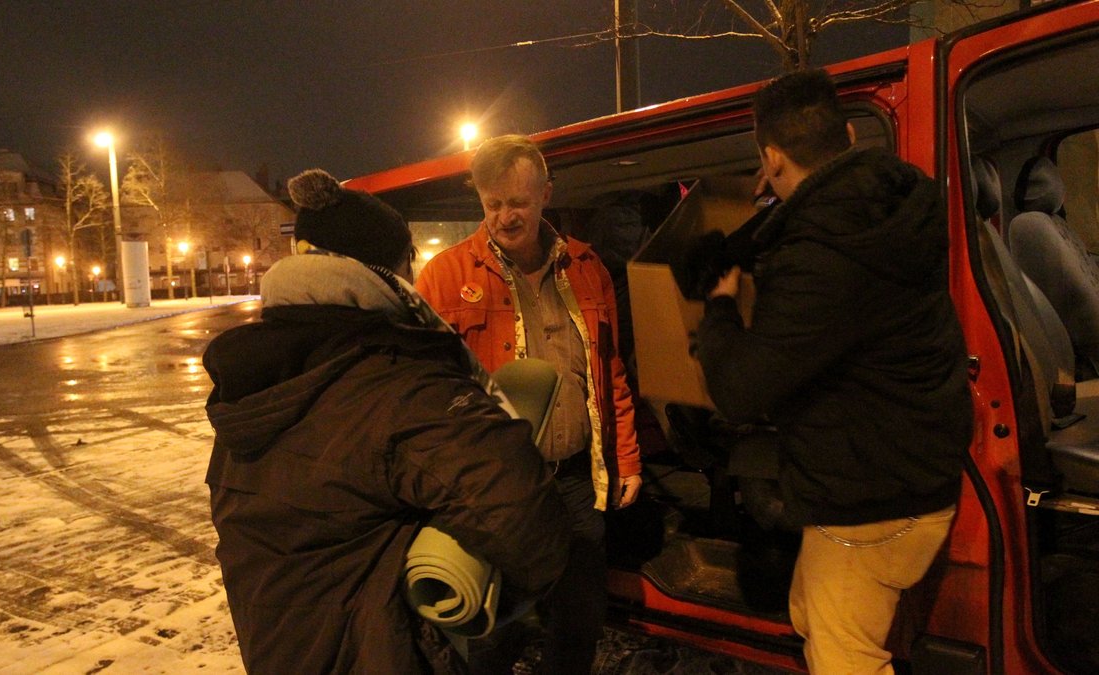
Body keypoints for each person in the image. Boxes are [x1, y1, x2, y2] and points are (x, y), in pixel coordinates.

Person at [203, 168, 570, 674]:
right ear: (388, 272)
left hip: (279, 650)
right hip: (386, 653)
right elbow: (527, 521)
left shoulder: (256, 377)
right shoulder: (396, 381)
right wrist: (491, 608)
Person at [693, 69, 973, 674]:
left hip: (867, 504)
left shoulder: (818, 255)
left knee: (845, 660)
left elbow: (739, 391)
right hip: (919, 474)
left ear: (769, 156)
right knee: (808, 613)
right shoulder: (894, 207)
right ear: (848, 133)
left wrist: (719, 304)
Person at [416, 134, 643, 674]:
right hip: (495, 488)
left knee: (580, 619)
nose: (504, 217)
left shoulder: (588, 268)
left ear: (546, 193)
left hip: (575, 479)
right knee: (493, 630)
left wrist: (626, 457)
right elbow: (423, 389)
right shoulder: (446, 276)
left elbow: (608, 370)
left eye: (517, 202)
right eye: (492, 204)